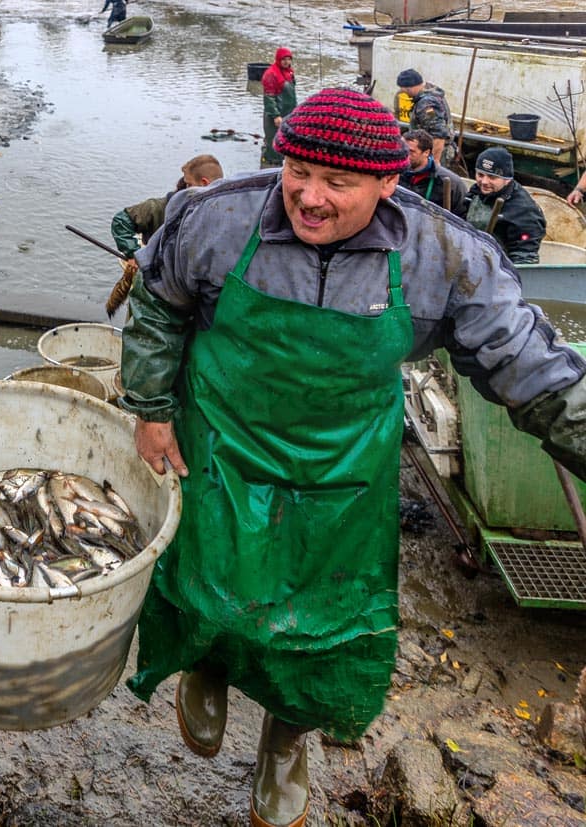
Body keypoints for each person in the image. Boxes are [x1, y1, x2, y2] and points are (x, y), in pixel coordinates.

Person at [119, 87, 586, 827]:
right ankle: (203, 666)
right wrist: (148, 408)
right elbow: (159, 299)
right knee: (209, 577)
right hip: (223, 444)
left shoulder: (444, 255)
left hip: (342, 472)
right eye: (297, 171)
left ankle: (284, 738)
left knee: (324, 617)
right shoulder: (217, 216)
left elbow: (534, 369)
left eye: (337, 183)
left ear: (389, 183)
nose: (308, 196)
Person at [108, 154, 223, 317]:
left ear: (205, 184)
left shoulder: (223, 216)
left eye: (188, 184)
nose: (185, 187)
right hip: (152, 290)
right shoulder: (162, 207)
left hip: (193, 298)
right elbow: (121, 221)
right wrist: (132, 253)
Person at [462, 146, 546, 264]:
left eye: (492, 177)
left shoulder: (524, 211)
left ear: (507, 180)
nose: (484, 182)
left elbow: (524, 259)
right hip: (473, 258)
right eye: (480, 175)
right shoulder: (476, 192)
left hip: (501, 269)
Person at [398, 128, 468, 215]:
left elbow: (462, 217)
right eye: (402, 149)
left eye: (411, 152)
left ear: (426, 153)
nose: (404, 155)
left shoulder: (451, 184)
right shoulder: (393, 173)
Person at [396, 68, 455, 166]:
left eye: (403, 90)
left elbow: (439, 135)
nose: (404, 93)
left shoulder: (426, 104)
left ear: (408, 88)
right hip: (429, 151)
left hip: (435, 153)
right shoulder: (431, 92)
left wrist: (433, 163)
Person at [260, 47, 296, 168]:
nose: (286, 62)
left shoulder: (290, 72)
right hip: (274, 116)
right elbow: (269, 98)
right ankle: (268, 164)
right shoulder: (270, 74)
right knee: (272, 141)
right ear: (278, 59)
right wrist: (275, 115)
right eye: (284, 59)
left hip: (288, 113)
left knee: (285, 140)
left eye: (289, 59)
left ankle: (281, 163)